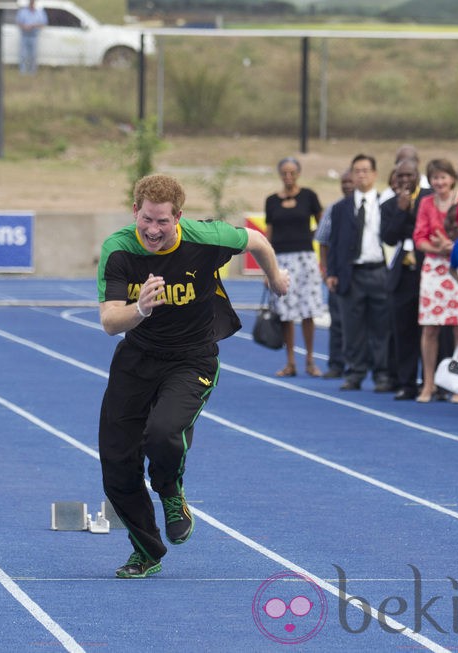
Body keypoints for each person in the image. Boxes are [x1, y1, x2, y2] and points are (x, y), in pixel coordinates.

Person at [97, 173, 289, 578]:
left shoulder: (206, 238)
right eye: (146, 219)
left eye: (163, 222)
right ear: (135, 211)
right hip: (137, 358)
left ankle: (169, 490)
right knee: (116, 463)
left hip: (192, 358)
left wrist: (275, 279)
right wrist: (141, 309)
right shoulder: (118, 250)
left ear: (178, 217)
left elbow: (257, 241)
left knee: (163, 432)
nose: (152, 230)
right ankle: (145, 551)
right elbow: (111, 321)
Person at [325, 154, 393, 392]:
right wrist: (331, 271)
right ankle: (355, 372)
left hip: (378, 271)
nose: (362, 175)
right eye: (357, 171)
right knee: (352, 328)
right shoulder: (340, 208)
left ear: (374, 174)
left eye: (366, 170)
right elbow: (333, 242)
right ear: (352, 175)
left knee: (381, 327)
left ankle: (382, 373)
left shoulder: (385, 203)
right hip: (350, 273)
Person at [263, 157, 324, 377]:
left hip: (305, 258)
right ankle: (290, 362)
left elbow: (322, 223)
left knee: (308, 311)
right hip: (281, 260)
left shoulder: (309, 196)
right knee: (286, 313)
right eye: (284, 173)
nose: (288, 176)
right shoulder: (271, 201)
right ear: (280, 174)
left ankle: (310, 360)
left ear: (298, 173)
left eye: (292, 172)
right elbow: (268, 235)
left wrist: (309, 236)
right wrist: (266, 268)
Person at [413, 159, 458, 403]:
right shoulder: (425, 203)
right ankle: (429, 383)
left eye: (443, 177)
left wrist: (451, 249)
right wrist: (438, 248)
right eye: (435, 178)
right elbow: (419, 237)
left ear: (452, 178)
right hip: (434, 266)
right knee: (430, 327)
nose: (439, 182)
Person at [380, 159, 431, 400]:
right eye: (399, 176)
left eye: (409, 175)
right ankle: (407, 383)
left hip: (428, 272)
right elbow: (388, 237)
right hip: (402, 275)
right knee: (404, 331)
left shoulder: (429, 198)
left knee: (432, 331)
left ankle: (433, 383)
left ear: (418, 176)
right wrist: (401, 210)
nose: (404, 181)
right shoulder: (390, 204)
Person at [316, 169, 354, 378]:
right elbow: (323, 240)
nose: (347, 185)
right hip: (338, 273)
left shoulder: (369, 207)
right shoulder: (334, 209)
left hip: (361, 272)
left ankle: (357, 364)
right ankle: (337, 364)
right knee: (338, 321)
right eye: (344, 182)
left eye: (351, 181)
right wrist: (325, 269)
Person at [16, 0, 47, 75]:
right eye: (31, 3)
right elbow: (18, 23)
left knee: (33, 55)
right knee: (23, 55)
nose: (32, 4)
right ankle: (22, 71)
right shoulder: (23, 12)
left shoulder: (40, 12)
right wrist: (25, 27)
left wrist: (34, 25)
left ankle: (32, 72)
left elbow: (43, 24)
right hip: (24, 36)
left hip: (34, 36)